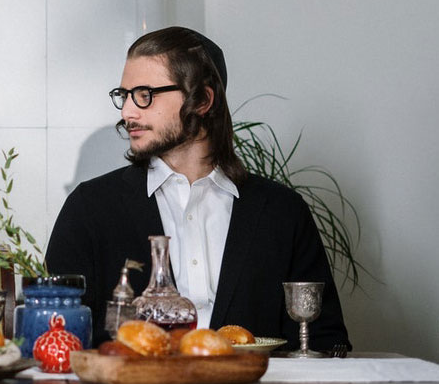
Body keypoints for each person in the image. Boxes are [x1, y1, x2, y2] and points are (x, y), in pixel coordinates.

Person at [45, 27, 351, 352]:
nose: (127, 112)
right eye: (124, 95)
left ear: (203, 100)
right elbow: (56, 336)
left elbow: (324, 342)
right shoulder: (89, 207)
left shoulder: (282, 212)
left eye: (145, 94)